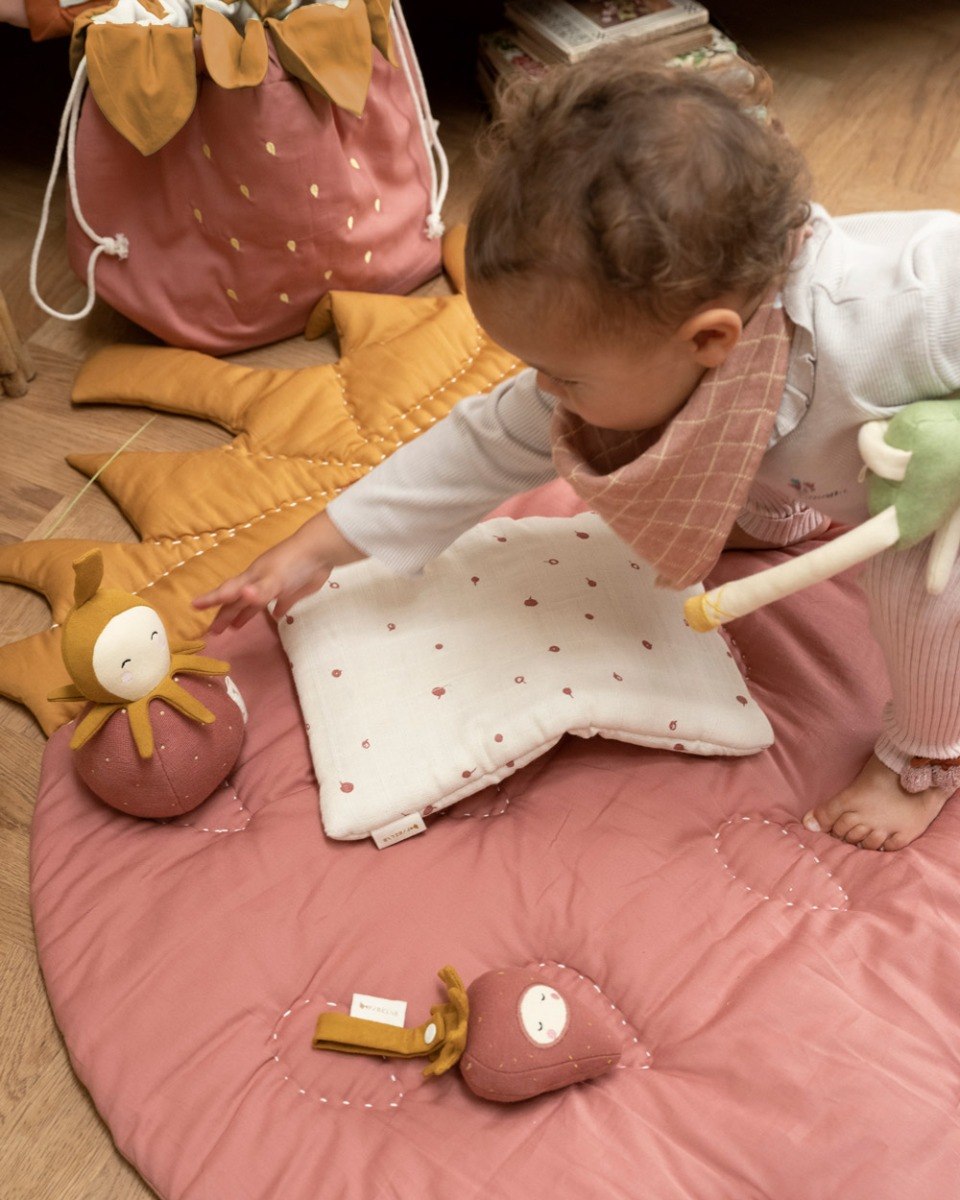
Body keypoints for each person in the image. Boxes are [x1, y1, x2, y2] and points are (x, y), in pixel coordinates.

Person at [195, 45, 960, 852]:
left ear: (708, 340)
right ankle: (790, 511)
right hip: (830, 465)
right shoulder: (637, 353)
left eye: (561, 374)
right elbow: (479, 447)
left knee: (926, 588)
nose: (545, 393)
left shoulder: (898, 308)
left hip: (934, 487)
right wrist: (315, 547)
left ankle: (928, 755)